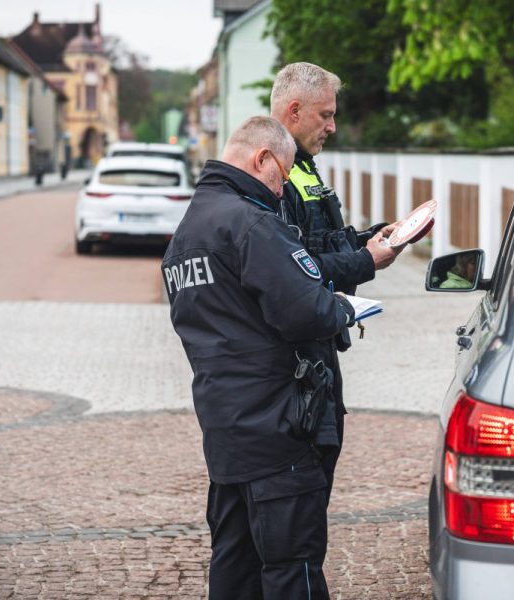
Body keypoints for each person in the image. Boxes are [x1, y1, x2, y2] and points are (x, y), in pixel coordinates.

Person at [162, 116, 355, 599]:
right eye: (282, 174)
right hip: (278, 430)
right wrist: (343, 307)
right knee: (293, 567)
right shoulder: (251, 222)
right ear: (262, 158)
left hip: (226, 430)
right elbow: (308, 310)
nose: (282, 186)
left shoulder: (186, 233)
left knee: (234, 565)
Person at [270, 62, 404, 500]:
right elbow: (297, 270)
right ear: (293, 111)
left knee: (320, 473)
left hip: (322, 349)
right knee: (304, 493)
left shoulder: (304, 166)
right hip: (297, 361)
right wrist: (366, 261)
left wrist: (368, 239)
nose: (333, 125)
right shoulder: (276, 174)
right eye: (325, 115)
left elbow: (318, 242)